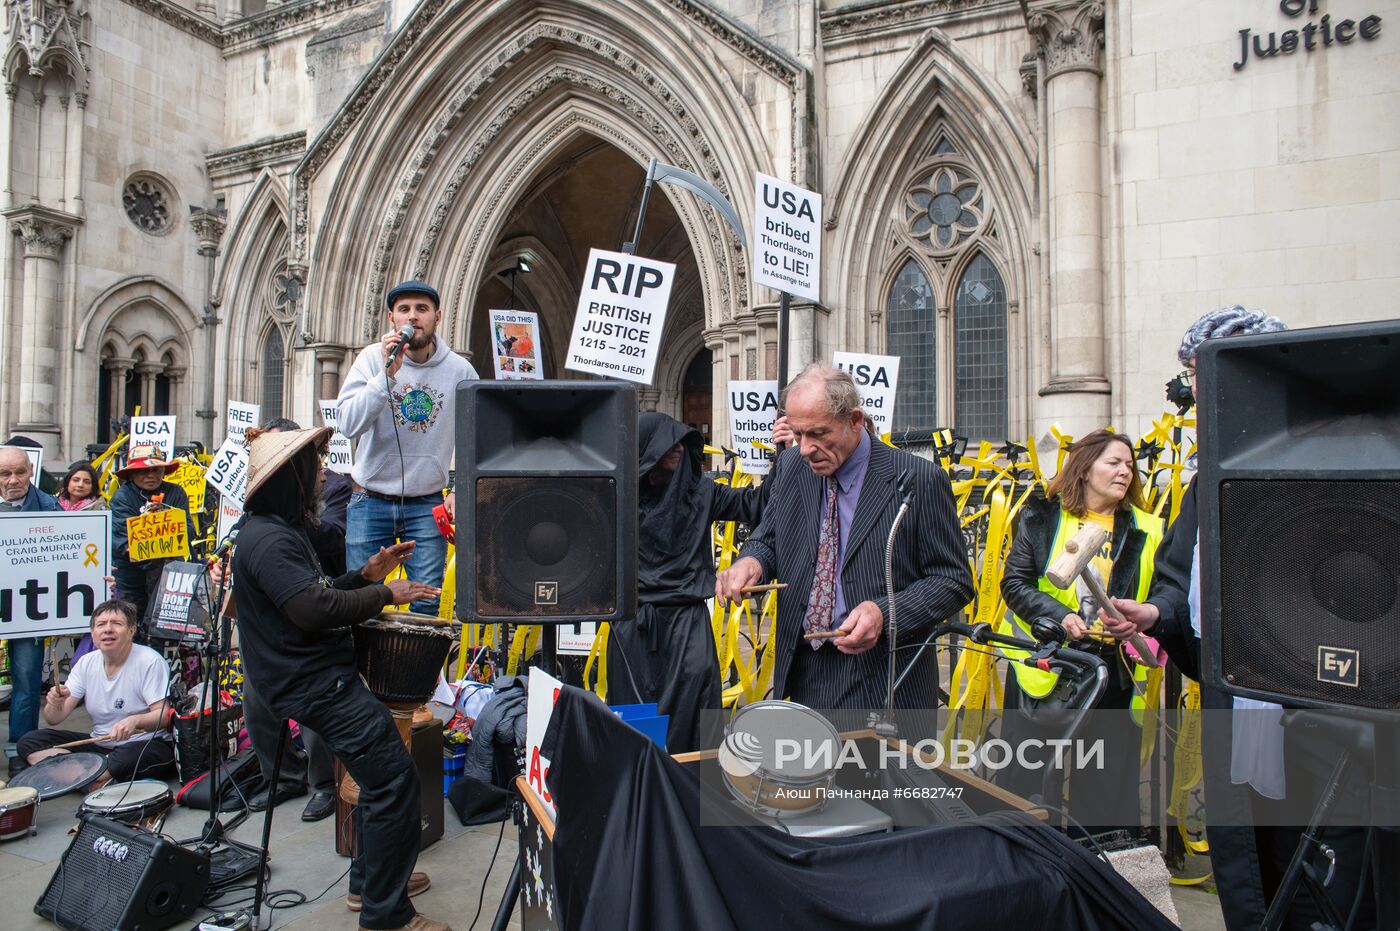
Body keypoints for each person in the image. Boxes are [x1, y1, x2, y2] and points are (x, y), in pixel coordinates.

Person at [1102, 306, 1378, 930]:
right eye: (1193, 378)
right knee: (1252, 875)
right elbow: (1184, 583)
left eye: (1204, 375)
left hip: (1322, 721)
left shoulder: (1341, 465)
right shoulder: (1209, 482)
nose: (1194, 393)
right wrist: (1154, 612)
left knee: (1320, 876)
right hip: (1237, 713)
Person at [231, 425, 448, 931]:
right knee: (393, 780)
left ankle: (371, 885)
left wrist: (366, 576)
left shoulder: (280, 533)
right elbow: (311, 609)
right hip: (315, 684)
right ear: (291, 477)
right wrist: (384, 595)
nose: (322, 477)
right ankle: (386, 914)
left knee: (378, 781)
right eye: (314, 467)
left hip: (316, 678)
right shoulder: (268, 539)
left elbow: (317, 592)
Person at [715, 365, 973, 729]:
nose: (805, 448)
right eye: (799, 433)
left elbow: (953, 580)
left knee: (876, 786)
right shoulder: (791, 466)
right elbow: (769, 536)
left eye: (818, 434)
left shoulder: (918, 479)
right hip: (807, 668)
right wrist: (751, 561)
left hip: (885, 679)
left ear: (854, 420)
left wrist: (884, 613)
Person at [994, 428, 1163, 829]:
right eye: (1113, 462)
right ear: (1085, 469)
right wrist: (1056, 615)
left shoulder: (1150, 528)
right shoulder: (1043, 516)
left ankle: (1098, 864)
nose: (1125, 472)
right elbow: (1014, 584)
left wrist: (1143, 617)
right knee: (1027, 779)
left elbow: (1162, 596)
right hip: (1048, 668)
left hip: (1114, 670)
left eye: (1129, 465)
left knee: (1105, 787)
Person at [608, 413, 767, 753]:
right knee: (635, 725)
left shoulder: (701, 493)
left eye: (682, 440)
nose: (679, 448)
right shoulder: (616, 496)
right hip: (634, 629)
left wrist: (785, 453)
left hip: (687, 626)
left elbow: (756, 504)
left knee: (693, 719)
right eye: (670, 442)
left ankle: (691, 797)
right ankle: (643, 798)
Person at [337, 280, 477, 615]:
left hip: (426, 505)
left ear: (437, 316)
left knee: (426, 606)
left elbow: (478, 434)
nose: (412, 317)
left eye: (421, 309)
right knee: (362, 605)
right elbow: (347, 424)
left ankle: (417, 671)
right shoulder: (372, 360)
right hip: (369, 500)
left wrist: (458, 487)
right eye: (404, 310)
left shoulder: (460, 370)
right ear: (392, 318)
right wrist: (386, 376)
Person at [237, 418, 346, 822]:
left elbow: (333, 533)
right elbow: (244, 532)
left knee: (314, 700)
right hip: (266, 615)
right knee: (257, 697)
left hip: (310, 605)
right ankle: (281, 776)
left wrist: (287, 517)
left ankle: (323, 783)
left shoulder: (332, 486)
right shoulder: (262, 499)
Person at [15, 600, 175, 785]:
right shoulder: (86, 662)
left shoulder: (149, 661)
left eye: (116, 624)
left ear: (131, 631)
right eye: (100, 625)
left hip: (144, 743)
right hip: (100, 744)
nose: (108, 630)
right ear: (93, 634)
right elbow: (54, 718)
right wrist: (55, 703)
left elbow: (164, 716)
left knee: (126, 759)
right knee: (29, 742)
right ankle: (95, 778)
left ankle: (76, 776)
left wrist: (135, 720)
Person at [0, 446, 61, 776]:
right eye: (4, 474)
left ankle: (20, 750)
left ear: (31, 472)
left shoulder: (50, 506)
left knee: (26, 681)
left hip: (28, 611)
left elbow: (71, 553)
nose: (13, 481)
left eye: (19, 472)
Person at [110, 444, 196, 623]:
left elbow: (188, 531)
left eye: (156, 470)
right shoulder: (122, 496)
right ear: (132, 474)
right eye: (143, 471)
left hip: (169, 575)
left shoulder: (175, 492)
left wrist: (167, 516)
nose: (150, 475)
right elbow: (125, 542)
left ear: (163, 472)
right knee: (131, 625)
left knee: (166, 629)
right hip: (132, 578)